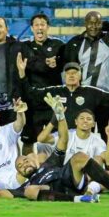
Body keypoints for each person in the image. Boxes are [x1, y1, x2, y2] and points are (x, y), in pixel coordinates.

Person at [0, 96, 109, 203]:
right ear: (19, 173)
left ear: (32, 158)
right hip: (57, 192)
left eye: (24, 161)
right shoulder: (24, 186)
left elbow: (63, 139)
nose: (24, 165)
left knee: (79, 156)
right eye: (20, 166)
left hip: (70, 180)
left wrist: (59, 116)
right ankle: (79, 200)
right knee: (30, 191)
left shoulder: (49, 164)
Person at [18, 59, 109, 142]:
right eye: (68, 73)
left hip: (84, 139)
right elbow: (30, 94)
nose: (71, 75)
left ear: (80, 75)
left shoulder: (92, 92)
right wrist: (22, 74)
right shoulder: (54, 91)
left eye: (74, 73)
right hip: (57, 139)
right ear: (63, 76)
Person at [19, 13, 65, 151]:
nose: (40, 28)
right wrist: (44, 63)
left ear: (48, 27)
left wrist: (58, 62)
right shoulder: (24, 47)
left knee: (59, 136)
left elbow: (68, 63)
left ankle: (59, 167)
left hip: (53, 100)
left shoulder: (58, 45)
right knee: (28, 140)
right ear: (32, 28)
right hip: (32, 101)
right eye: (36, 25)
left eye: (42, 25)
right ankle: (28, 170)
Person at [63, 10, 109, 94]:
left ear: (102, 24)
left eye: (97, 23)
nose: (94, 26)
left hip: (108, 94)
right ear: (85, 24)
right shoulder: (75, 43)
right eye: (90, 23)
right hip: (83, 94)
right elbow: (65, 65)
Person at [36, 108, 109, 168]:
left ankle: (91, 188)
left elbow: (108, 162)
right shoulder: (67, 134)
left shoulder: (98, 141)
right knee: (40, 154)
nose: (85, 121)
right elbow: (41, 139)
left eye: (89, 119)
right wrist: (54, 120)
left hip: (84, 177)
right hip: (63, 171)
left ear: (93, 124)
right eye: (82, 118)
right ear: (76, 122)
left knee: (98, 160)